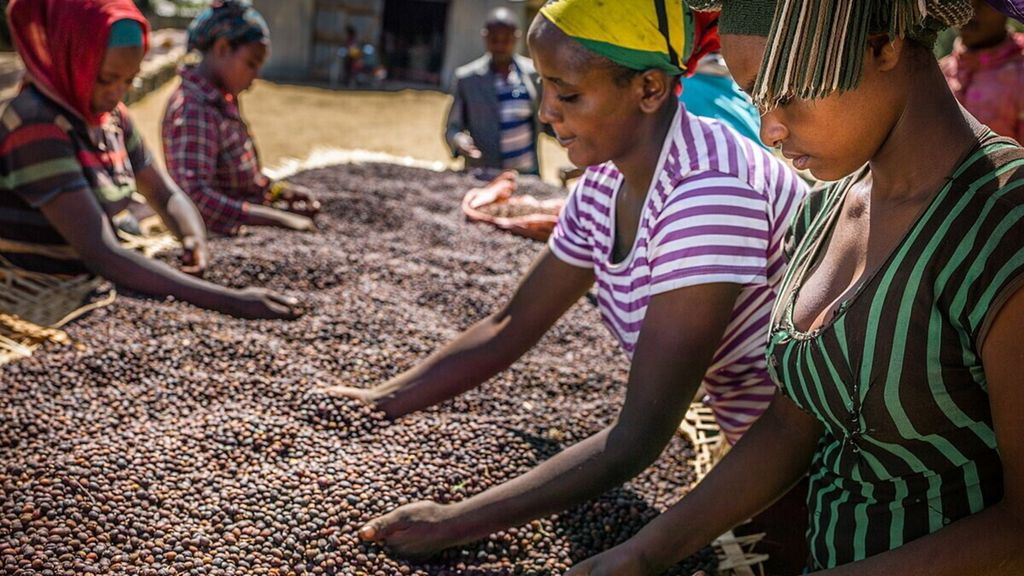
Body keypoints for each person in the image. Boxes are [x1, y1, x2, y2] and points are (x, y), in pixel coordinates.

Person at [321, 0, 807, 558]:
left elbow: (640, 436)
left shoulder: (709, 193)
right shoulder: (604, 182)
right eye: (544, 85)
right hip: (751, 432)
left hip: (811, 458)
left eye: (568, 94)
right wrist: (376, 402)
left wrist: (452, 523)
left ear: (650, 88)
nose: (547, 111)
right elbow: (510, 324)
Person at [567, 0, 1024, 574]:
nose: (770, 130)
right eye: (756, 100)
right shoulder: (821, 213)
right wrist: (641, 554)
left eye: (785, 93)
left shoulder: (1002, 221)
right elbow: (791, 424)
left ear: (882, 46)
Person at [0, 0, 300, 320]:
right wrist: (232, 302)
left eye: (129, 81)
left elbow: (163, 192)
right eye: (106, 79)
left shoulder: (111, 118)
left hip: (96, 276)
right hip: (42, 288)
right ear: (70, 56)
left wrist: (192, 238)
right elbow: (101, 252)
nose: (117, 93)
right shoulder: (35, 124)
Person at [162, 0, 319, 237]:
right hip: (215, 235)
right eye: (251, 64)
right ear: (223, 48)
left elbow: (238, 180)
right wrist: (274, 219)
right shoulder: (193, 109)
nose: (256, 76)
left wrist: (277, 192)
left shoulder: (221, 100)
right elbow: (195, 198)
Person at [445, 8, 546, 176]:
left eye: (506, 39)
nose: (500, 45)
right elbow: (453, 129)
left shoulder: (533, 74)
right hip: (486, 175)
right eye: (494, 39)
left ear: (517, 37)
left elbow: (548, 121)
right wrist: (460, 142)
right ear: (485, 36)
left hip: (527, 174)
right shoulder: (468, 79)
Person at [941, 0, 1024, 143]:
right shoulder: (939, 73)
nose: (970, 9)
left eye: (983, 2)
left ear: (1007, 8)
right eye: (964, 1)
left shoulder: (1019, 71)